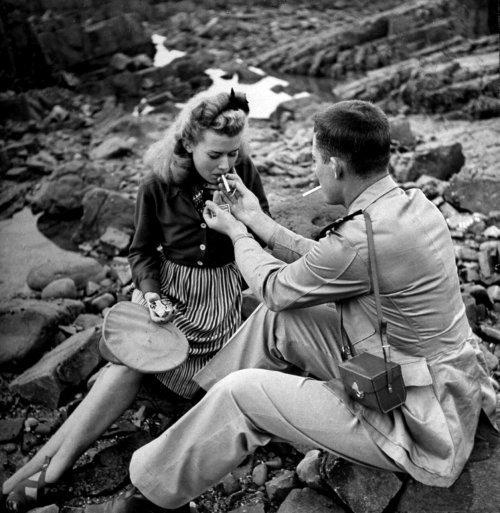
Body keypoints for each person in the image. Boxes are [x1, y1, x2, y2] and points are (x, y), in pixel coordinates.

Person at [79, 99, 498, 513]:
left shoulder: (357, 240)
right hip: (426, 373)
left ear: (335, 166)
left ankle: (147, 496)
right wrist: (259, 219)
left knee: (242, 391)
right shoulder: (408, 204)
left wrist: (238, 232)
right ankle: (203, 413)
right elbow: (327, 258)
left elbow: (277, 287)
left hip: (417, 418)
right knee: (281, 320)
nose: (313, 171)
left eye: (315, 160)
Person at [2, 89, 270, 513]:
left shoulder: (244, 174)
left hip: (219, 307)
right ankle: (50, 466)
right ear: (187, 143)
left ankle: (43, 470)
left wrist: (242, 223)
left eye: (233, 154)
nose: (226, 166)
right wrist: (149, 294)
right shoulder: (156, 186)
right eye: (215, 155)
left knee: (128, 369)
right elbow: (141, 252)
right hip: (172, 298)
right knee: (127, 364)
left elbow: (260, 234)